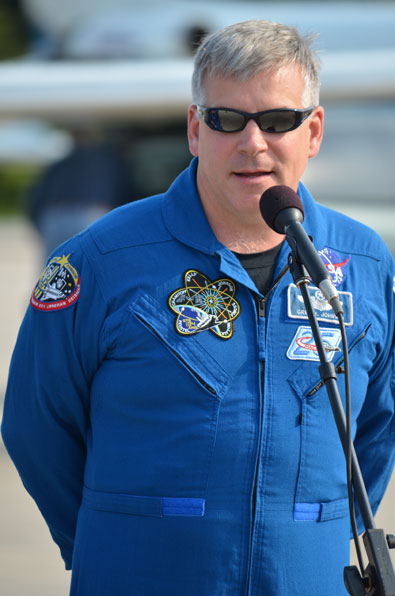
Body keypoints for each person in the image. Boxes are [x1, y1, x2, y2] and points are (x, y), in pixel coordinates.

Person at [2, 19, 395, 596]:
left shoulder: (365, 263)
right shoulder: (101, 259)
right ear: (194, 128)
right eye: (226, 119)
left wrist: (323, 533)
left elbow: (378, 431)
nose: (252, 142)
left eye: (278, 121)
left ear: (312, 132)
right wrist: (112, 534)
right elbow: (37, 425)